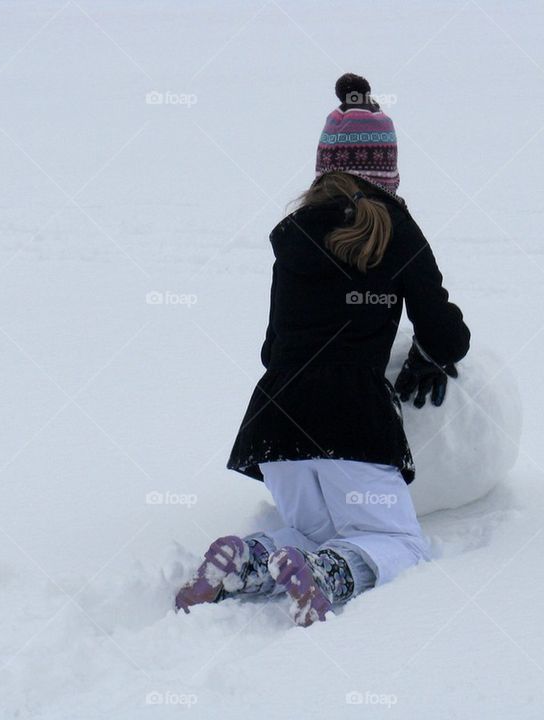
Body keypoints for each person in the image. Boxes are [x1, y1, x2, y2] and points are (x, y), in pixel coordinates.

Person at [175, 73, 470, 626]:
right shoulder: (397, 231)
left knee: (310, 530)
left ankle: (247, 561)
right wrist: (429, 355)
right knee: (398, 540)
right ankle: (331, 573)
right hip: (352, 420)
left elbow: (273, 345)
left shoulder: (293, 233)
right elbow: (447, 335)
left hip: (276, 418)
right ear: (389, 168)